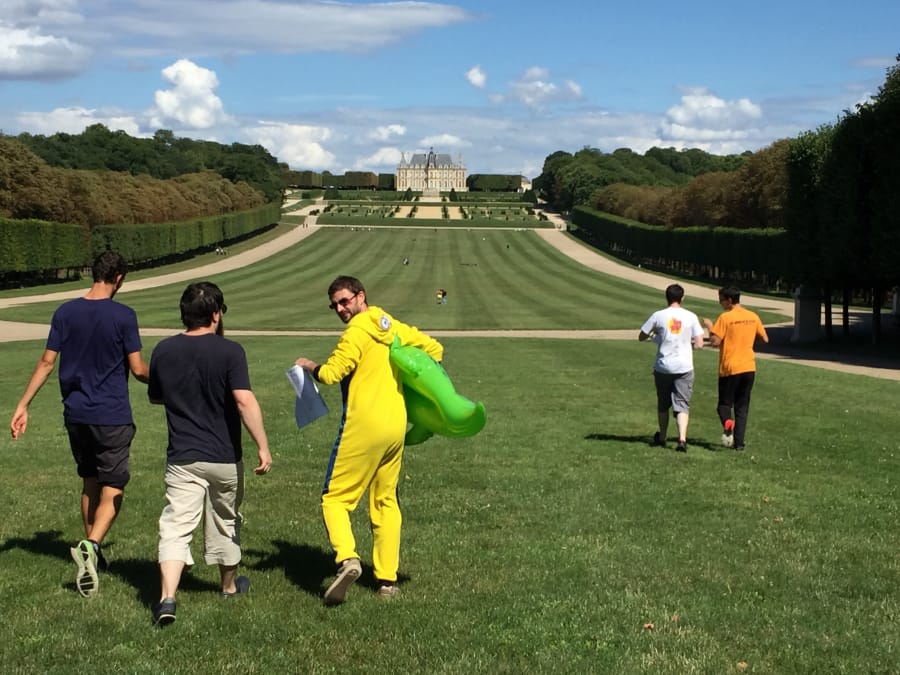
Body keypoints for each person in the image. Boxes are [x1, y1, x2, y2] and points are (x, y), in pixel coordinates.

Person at [294, 275, 443, 604]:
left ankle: (347, 559)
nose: (340, 309)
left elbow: (333, 374)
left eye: (345, 301)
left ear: (361, 296)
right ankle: (387, 581)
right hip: (395, 427)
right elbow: (434, 349)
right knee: (385, 501)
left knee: (334, 499)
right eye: (334, 305)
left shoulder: (358, 331)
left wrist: (310, 366)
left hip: (363, 426)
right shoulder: (388, 323)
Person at [9, 251, 149, 597]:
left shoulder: (65, 312)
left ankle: (90, 556)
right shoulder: (124, 316)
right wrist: (169, 378)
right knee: (113, 487)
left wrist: (23, 405)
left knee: (89, 483)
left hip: (76, 413)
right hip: (111, 414)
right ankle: (93, 546)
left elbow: (46, 362)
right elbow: (138, 369)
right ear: (118, 277)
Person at [148, 282, 272, 626]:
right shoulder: (230, 351)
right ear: (216, 315)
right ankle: (229, 586)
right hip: (223, 455)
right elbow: (244, 400)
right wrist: (262, 445)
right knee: (225, 520)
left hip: (183, 455)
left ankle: (167, 597)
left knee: (175, 526)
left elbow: (157, 396)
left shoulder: (163, 349)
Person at [639, 284, 705, 452]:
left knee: (663, 403)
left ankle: (662, 436)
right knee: (682, 403)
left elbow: (641, 336)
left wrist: (656, 336)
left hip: (663, 366)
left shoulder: (658, 315)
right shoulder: (690, 316)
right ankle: (682, 439)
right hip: (684, 366)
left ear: (666, 297)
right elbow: (699, 344)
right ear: (682, 298)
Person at [702, 286, 769, 451]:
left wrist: (710, 327)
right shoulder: (753, 316)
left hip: (730, 367)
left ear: (729, 300)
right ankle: (739, 443)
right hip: (748, 366)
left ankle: (727, 422)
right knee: (742, 406)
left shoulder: (725, 318)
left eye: (722, 300)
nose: (720, 304)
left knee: (724, 405)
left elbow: (715, 341)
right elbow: (764, 338)